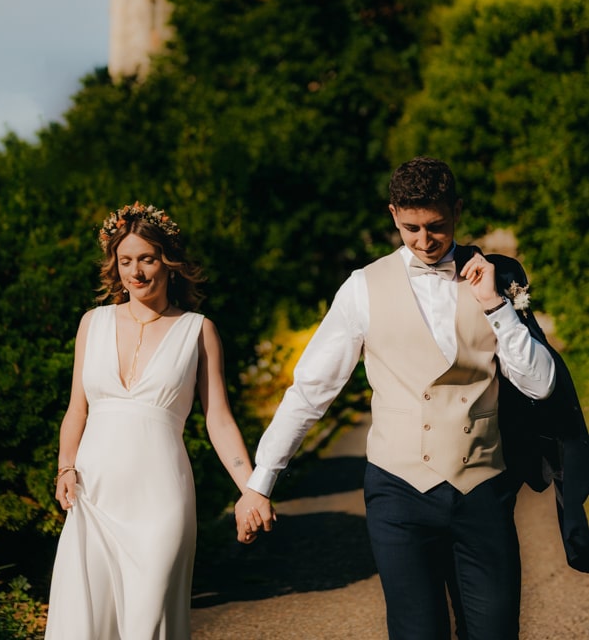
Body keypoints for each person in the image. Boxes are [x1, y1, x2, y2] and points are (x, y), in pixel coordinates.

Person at [235, 157, 556, 640]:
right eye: (411, 228)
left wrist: (494, 306)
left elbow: (540, 384)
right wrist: (260, 482)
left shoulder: (495, 278)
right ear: (392, 214)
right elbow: (310, 391)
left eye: (437, 227)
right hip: (399, 492)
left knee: (495, 631)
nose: (424, 242)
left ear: (457, 212)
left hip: (484, 487)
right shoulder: (362, 288)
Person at [45, 200, 271, 640]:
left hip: (161, 500)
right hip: (94, 494)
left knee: (151, 620)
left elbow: (219, 421)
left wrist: (252, 490)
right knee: (85, 623)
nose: (136, 272)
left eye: (147, 259)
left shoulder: (198, 331)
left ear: (169, 263)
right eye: (125, 260)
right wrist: (65, 466)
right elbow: (78, 408)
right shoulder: (92, 323)